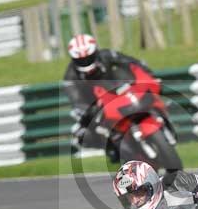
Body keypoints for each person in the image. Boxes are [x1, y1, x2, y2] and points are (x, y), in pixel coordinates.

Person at [63, 34, 155, 162]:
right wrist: (88, 111)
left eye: (88, 58)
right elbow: (76, 100)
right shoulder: (70, 77)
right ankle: (119, 152)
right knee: (91, 133)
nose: (86, 62)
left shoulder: (106, 55)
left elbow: (129, 61)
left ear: (95, 52)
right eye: (81, 60)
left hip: (120, 91)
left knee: (150, 95)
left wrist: (144, 71)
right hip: (97, 104)